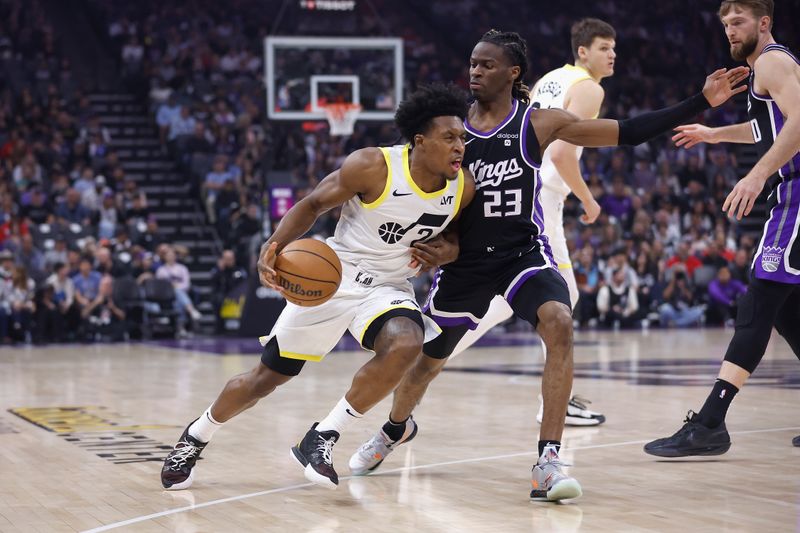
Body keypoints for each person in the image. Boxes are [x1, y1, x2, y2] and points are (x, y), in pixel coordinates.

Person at [349, 29, 747, 501]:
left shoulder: (538, 124)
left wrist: (699, 100)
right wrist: (431, 243)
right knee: (427, 364)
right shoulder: (450, 132)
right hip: (467, 264)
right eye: (473, 63)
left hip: (523, 256)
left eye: (487, 64)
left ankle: (548, 460)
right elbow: (417, 193)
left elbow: (629, 133)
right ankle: (395, 429)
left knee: (559, 321)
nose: (476, 71)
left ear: (513, 72)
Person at [160, 84, 476, 490]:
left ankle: (322, 436)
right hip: (333, 276)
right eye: (449, 137)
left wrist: (445, 253)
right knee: (264, 380)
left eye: (462, 138)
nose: (459, 146)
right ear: (420, 141)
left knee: (406, 344)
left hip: (388, 285)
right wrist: (272, 249)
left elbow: (456, 242)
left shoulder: (462, 188)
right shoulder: (372, 166)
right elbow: (312, 205)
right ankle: (196, 436)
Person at [435, 18, 617, 426]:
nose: (613, 56)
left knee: (526, 298)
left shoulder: (551, 79)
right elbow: (561, 154)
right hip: (539, 202)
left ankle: (430, 353)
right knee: (555, 301)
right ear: (583, 51)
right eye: (605, 48)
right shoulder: (588, 87)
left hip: (529, 194)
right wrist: (587, 198)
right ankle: (430, 354)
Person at [645, 0, 800, 456]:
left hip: (796, 193)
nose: (730, 31)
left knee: (760, 300)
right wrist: (715, 134)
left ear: (764, 23)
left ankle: (711, 423)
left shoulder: (772, 61)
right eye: (726, 24)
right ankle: (711, 424)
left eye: (739, 22)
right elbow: (767, 129)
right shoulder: (764, 71)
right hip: (791, 190)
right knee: (788, 311)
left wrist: (756, 176)